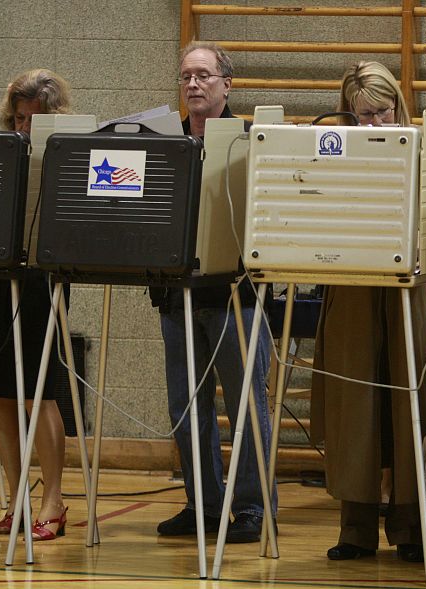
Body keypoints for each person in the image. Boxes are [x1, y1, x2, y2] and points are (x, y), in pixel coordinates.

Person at [310, 61, 426, 563]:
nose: (371, 126)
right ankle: (356, 527)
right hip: (352, 289)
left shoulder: (425, 148)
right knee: (355, 409)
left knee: (414, 406)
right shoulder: (334, 152)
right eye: (361, 115)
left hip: (411, 292)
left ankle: (412, 525)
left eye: (380, 113)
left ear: (398, 108)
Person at [152, 40, 276, 543]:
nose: (193, 84)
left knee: (246, 405)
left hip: (236, 296)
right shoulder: (162, 140)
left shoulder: (251, 139)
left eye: (203, 75)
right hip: (176, 294)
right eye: (186, 76)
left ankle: (250, 507)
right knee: (185, 405)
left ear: (227, 83)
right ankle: (201, 504)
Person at [0, 68, 71, 540]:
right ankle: (16, 498)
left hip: (39, 275)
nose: (24, 129)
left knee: (38, 390)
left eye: (35, 120)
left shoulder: (67, 155)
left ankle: (54, 499)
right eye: (19, 119)